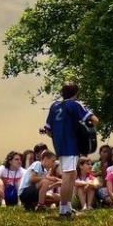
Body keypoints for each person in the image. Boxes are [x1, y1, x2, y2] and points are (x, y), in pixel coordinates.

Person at [43, 81, 99, 217]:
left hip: (59, 145)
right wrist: (84, 129)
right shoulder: (75, 104)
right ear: (76, 93)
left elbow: (48, 130)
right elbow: (95, 120)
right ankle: (63, 209)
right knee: (68, 175)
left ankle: (67, 207)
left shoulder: (54, 106)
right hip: (71, 144)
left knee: (72, 173)